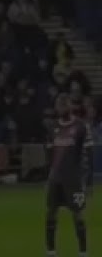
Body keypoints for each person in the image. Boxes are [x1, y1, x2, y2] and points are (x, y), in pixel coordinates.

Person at [45, 96, 90, 257]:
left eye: (64, 105)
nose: (61, 108)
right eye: (59, 105)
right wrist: (50, 173)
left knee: (78, 213)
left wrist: (86, 180)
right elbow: (49, 152)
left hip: (73, 179)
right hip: (55, 178)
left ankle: (83, 251)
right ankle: (50, 250)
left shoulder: (80, 127)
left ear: (70, 106)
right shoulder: (52, 127)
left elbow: (87, 152)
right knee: (51, 211)